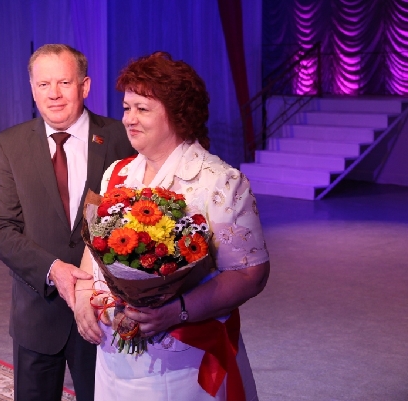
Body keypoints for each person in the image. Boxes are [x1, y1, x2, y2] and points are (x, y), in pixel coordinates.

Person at [74, 51, 270, 401]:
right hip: (114, 355)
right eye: (126, 108)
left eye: (142, 109)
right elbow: (95, 248)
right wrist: (82, 296)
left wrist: (176, 311)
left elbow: (249, 275)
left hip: (185, 362)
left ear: (178, 114)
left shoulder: (220, 181)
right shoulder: (116, 173)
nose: (129, 119)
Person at [0, 44, 136, 401]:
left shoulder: (120, 138)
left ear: (85, 86)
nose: (53, 94)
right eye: (44, 84)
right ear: (32, 89)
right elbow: (1, 228)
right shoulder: (10, 144)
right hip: (37, 315)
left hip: (104, 316)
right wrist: (54, 269)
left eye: (64, 83)